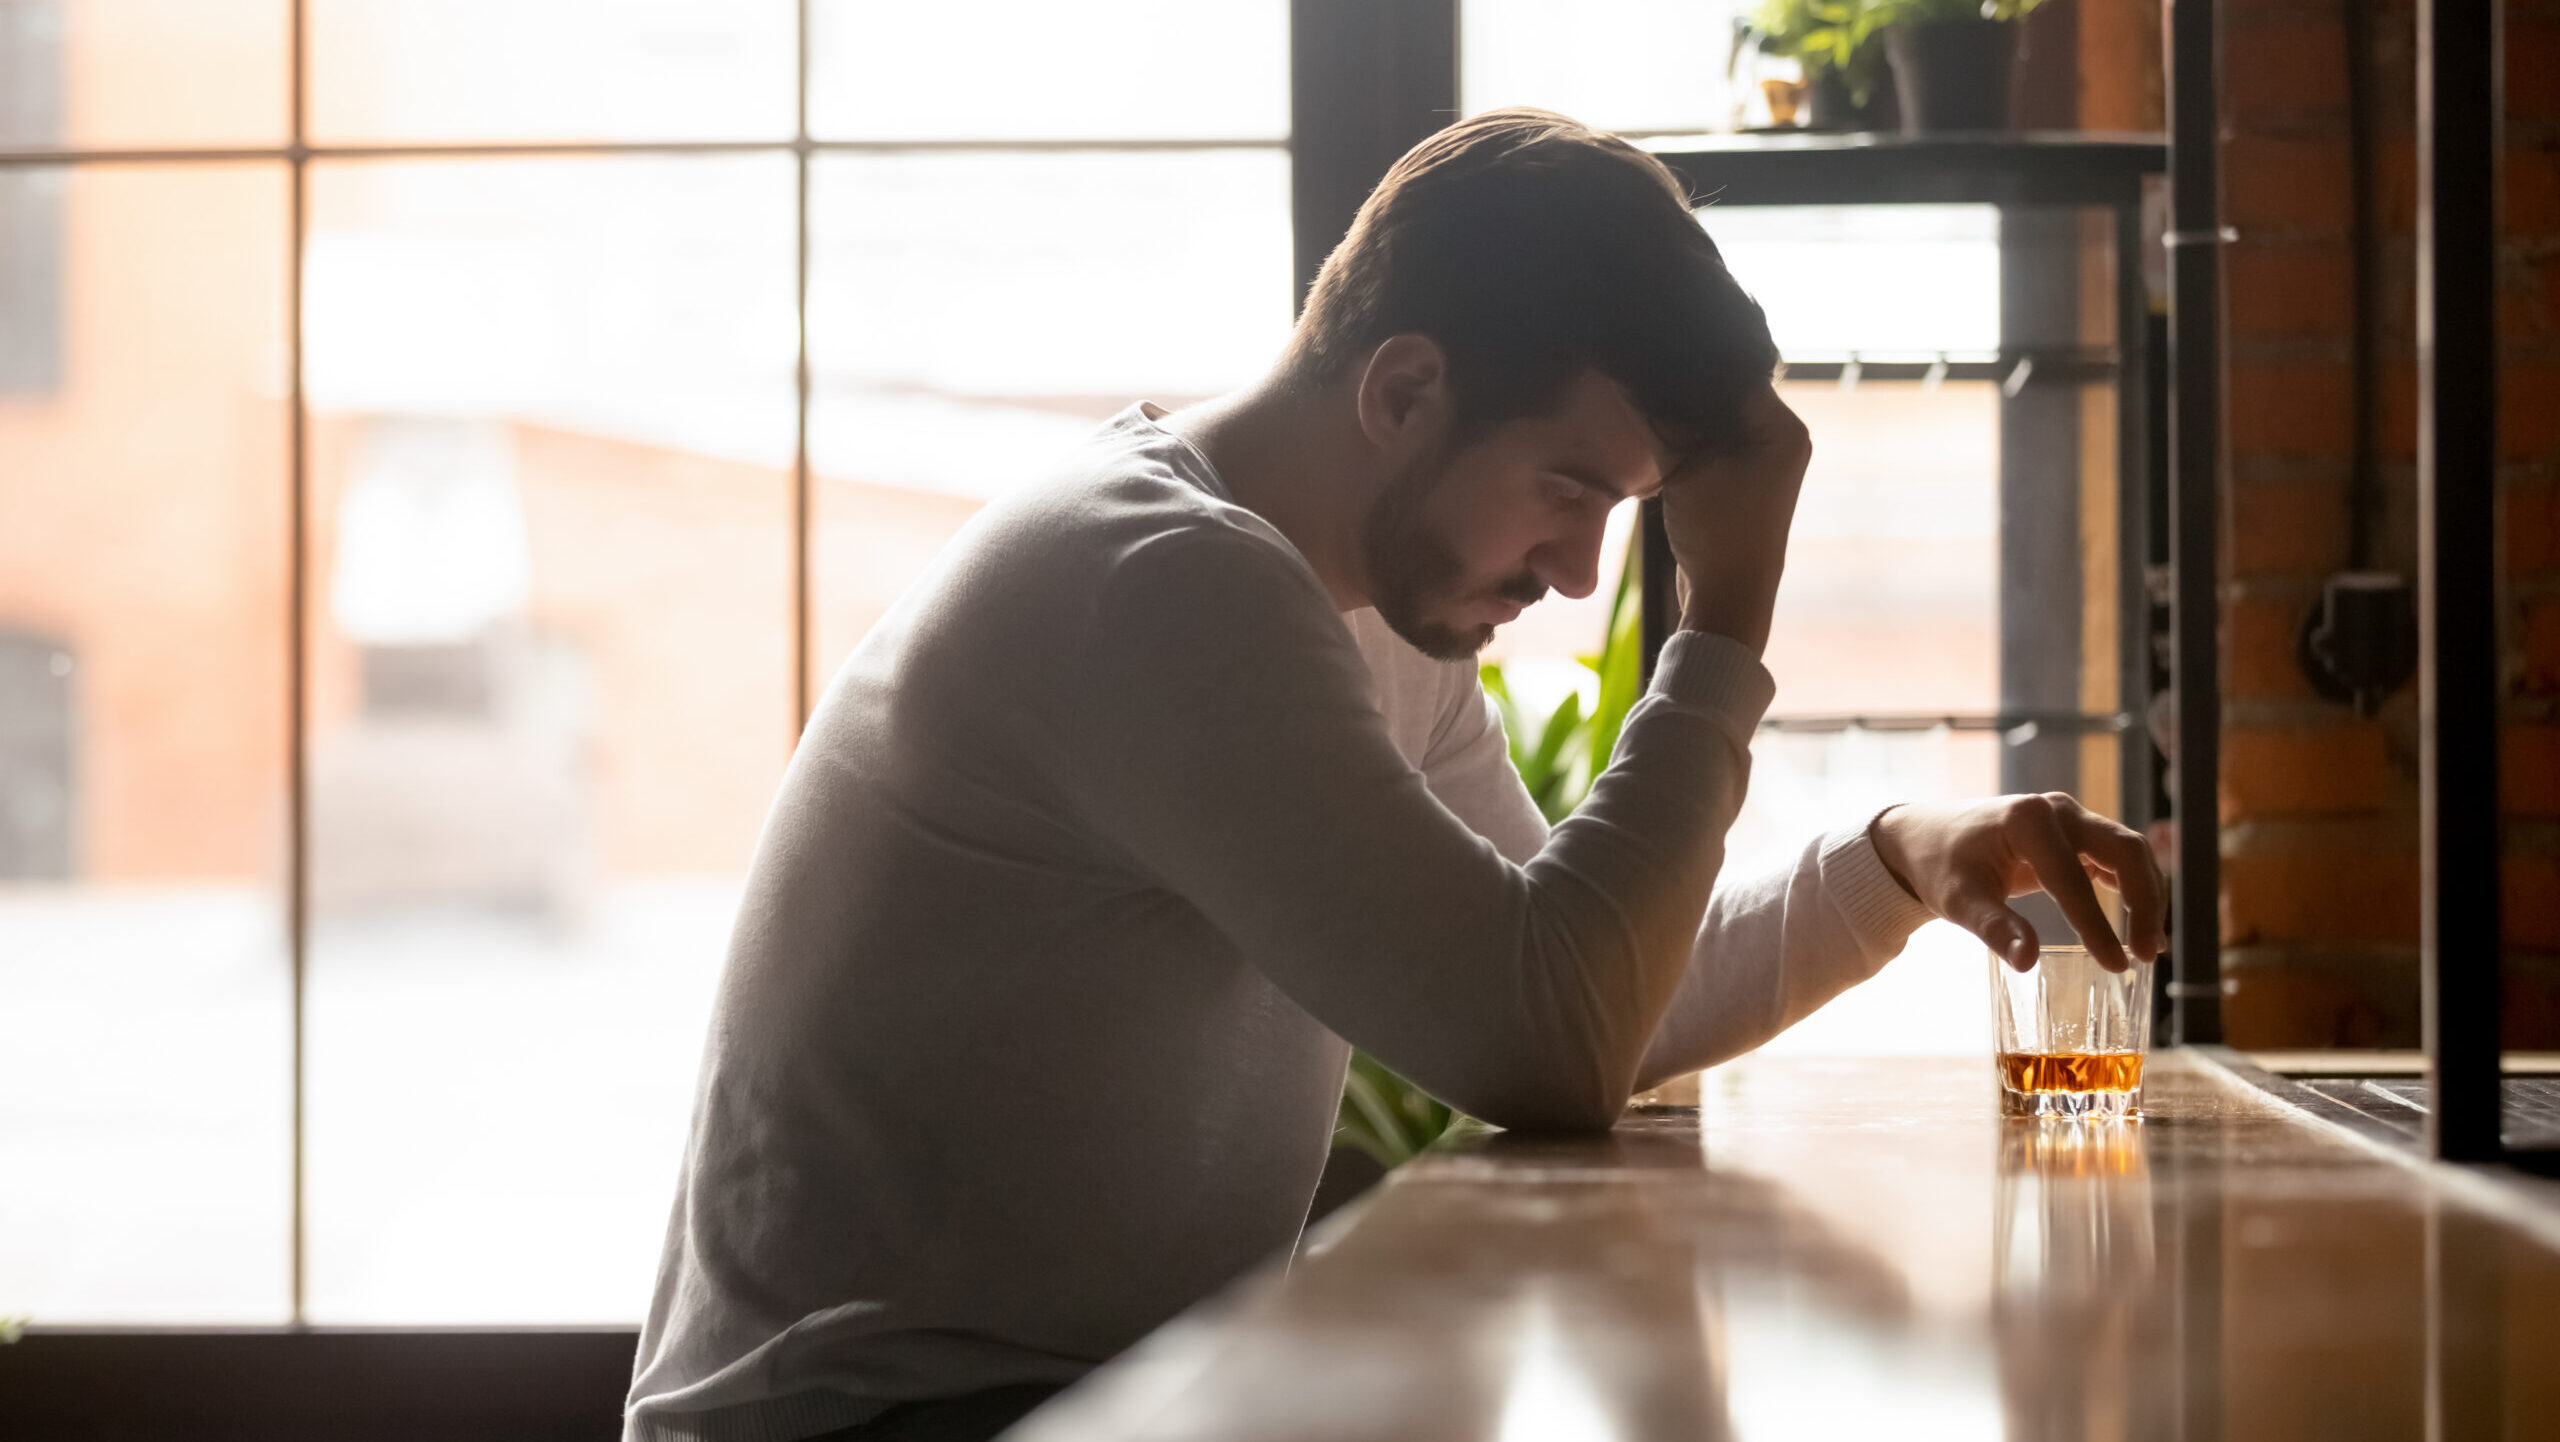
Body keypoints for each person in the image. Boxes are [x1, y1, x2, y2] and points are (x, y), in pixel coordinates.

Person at [622, 109, 2167, 1442]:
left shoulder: (1374, 619)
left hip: (1105, 1397)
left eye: (1617, 509)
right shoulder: (1161, 580)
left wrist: (1893, 860)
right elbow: (1545, 1036)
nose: (1575, 571)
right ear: (1404, 389)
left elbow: (1605, 998)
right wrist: (1731, 613)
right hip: (871, 1421)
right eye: (1570, 487)